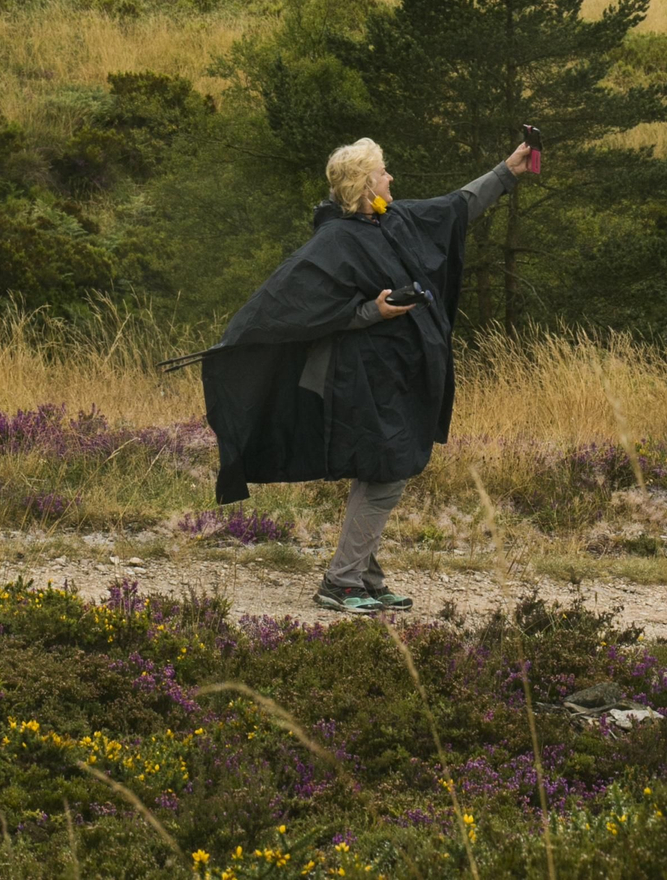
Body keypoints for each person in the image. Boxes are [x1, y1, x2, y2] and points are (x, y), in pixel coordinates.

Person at [201, 135, 534, 614]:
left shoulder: (394, 221)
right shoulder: (335, 241)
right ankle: (340, 583)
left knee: (379, 470)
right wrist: (371, 312)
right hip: (360, 379)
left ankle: (367, 579)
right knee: (385, 472)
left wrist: (508, 169)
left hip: (398, 376)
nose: (390, 178)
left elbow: (456, 206)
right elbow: (302, 307)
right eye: (382, 172)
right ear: (363, 185)